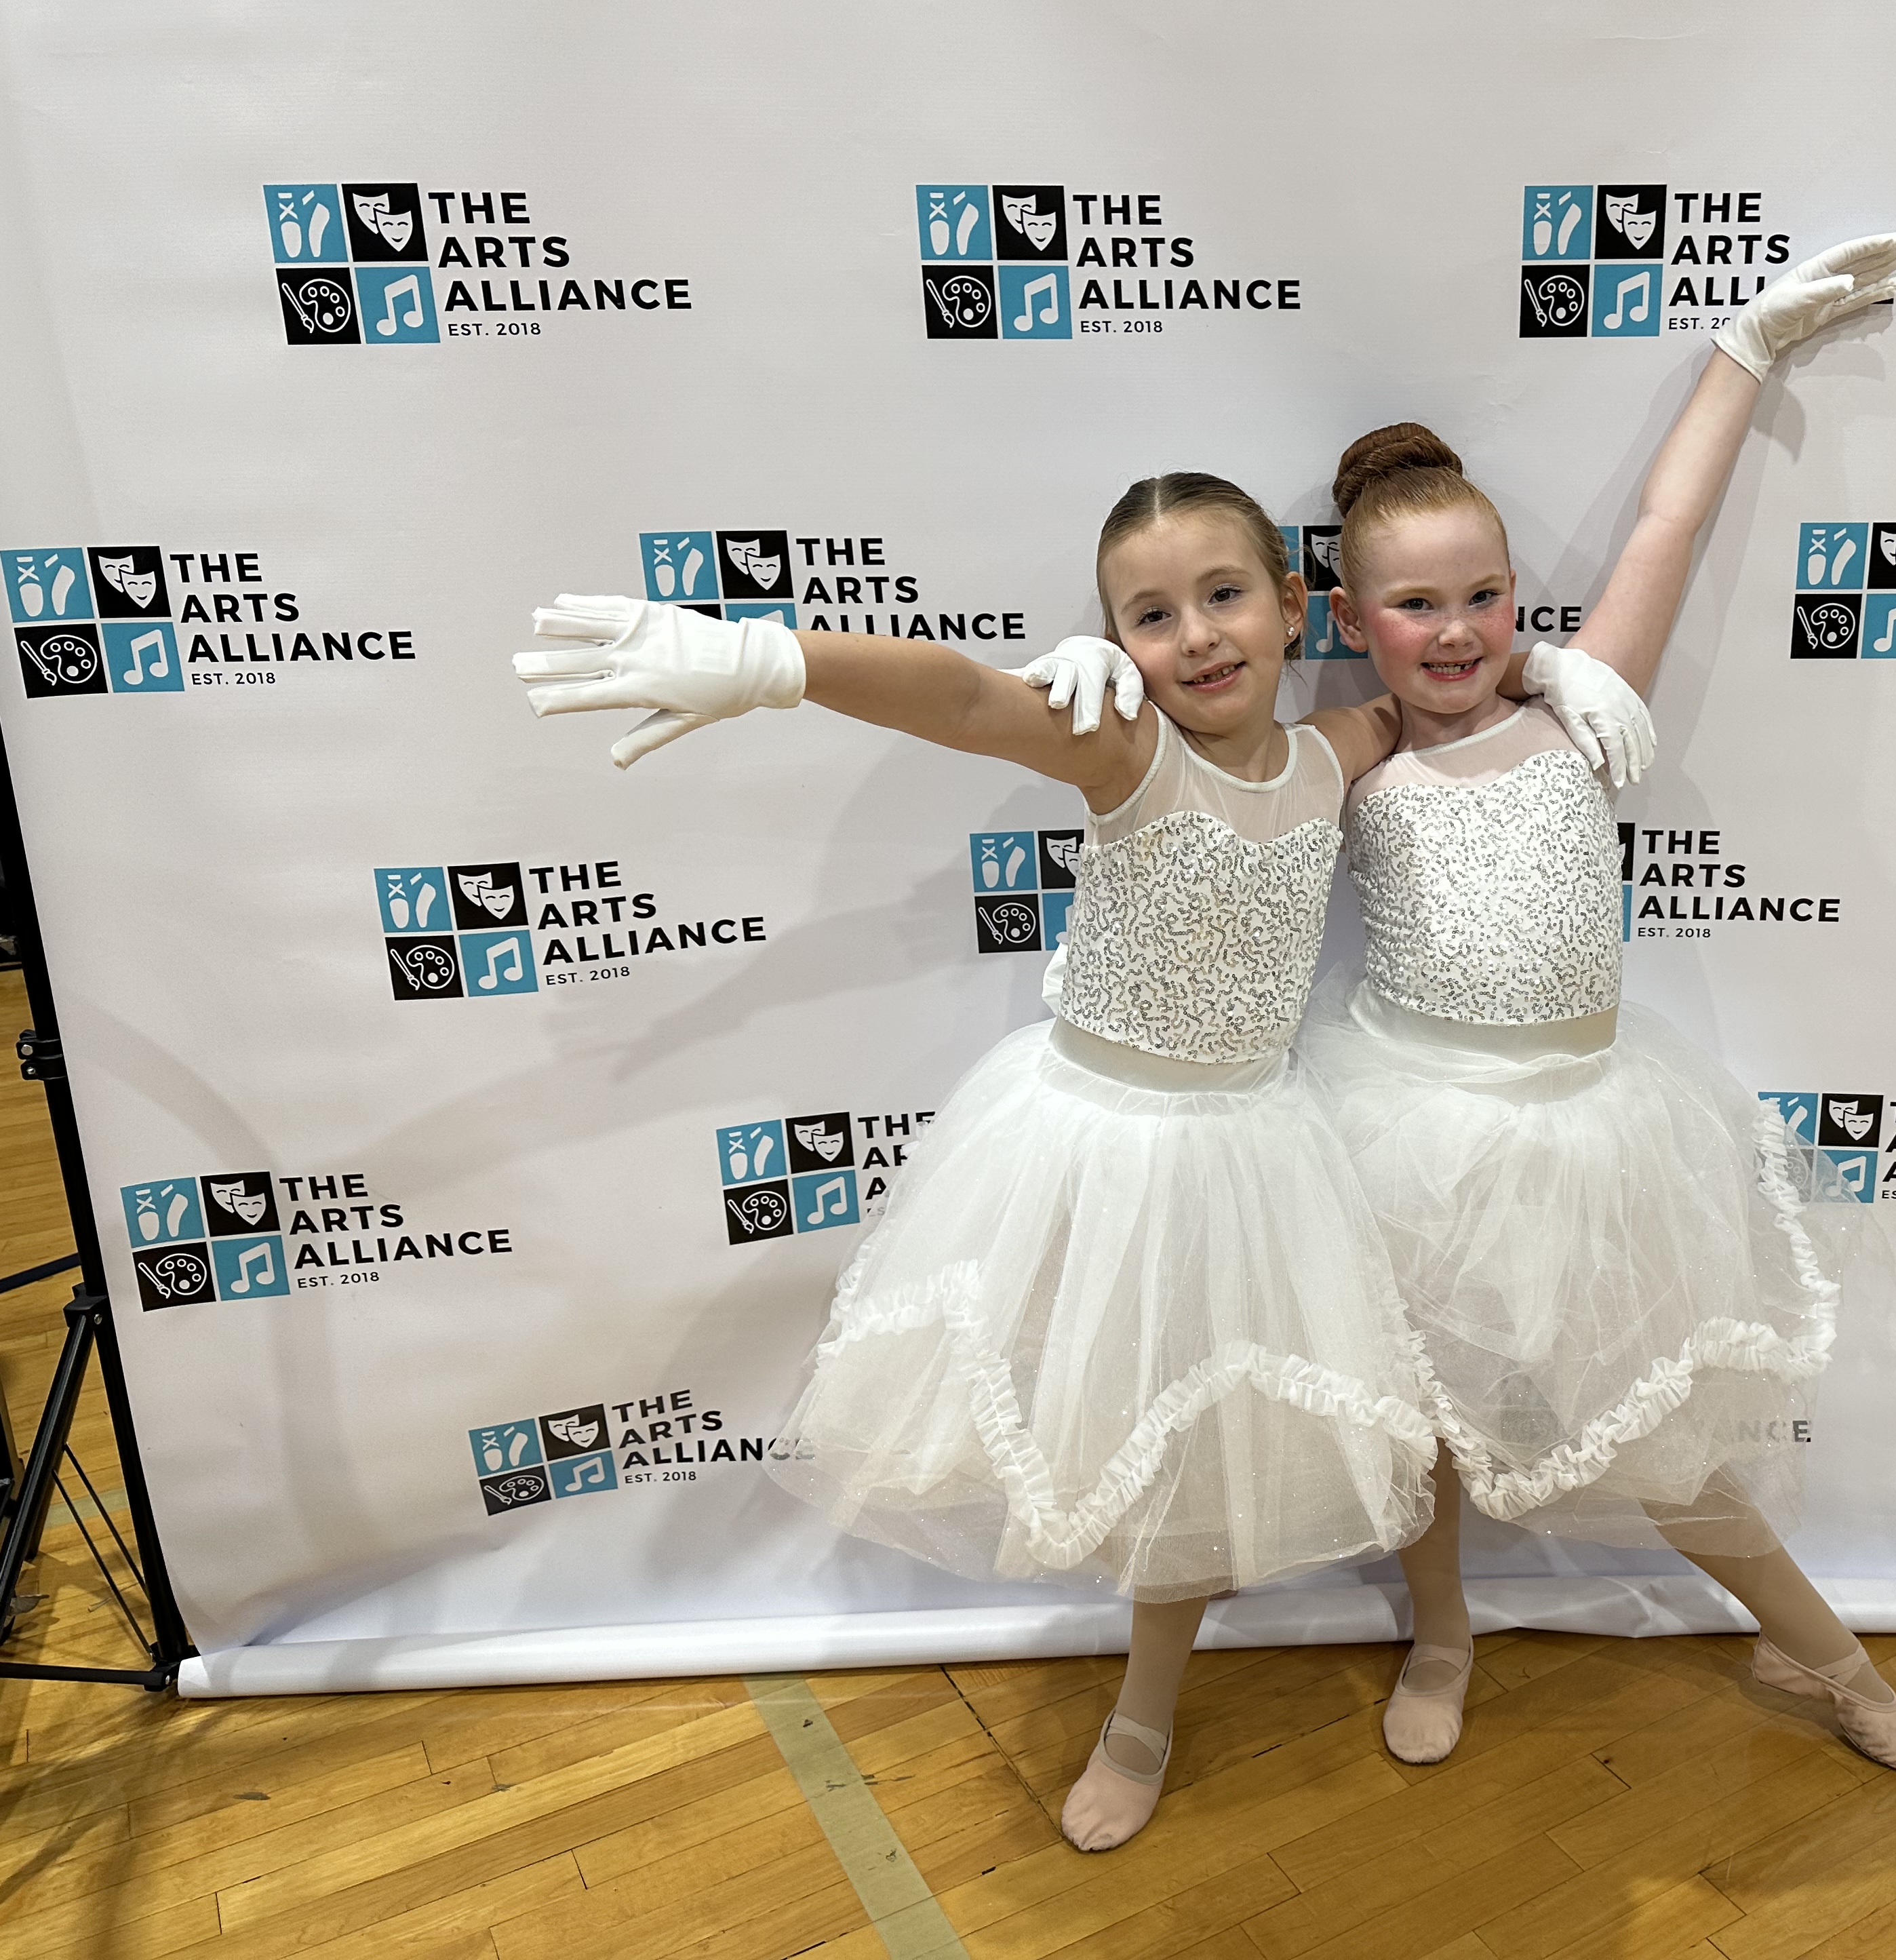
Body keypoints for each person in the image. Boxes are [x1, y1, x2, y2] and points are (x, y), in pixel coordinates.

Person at [508, 473, 1650, 1849]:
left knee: (1200, 1449)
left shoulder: (1336, 750)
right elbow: (961, 697)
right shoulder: (1125, 750)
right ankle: (1141, 1715)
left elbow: (1436, 682)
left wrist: (1550, 667)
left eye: (1224, 596)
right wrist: (772, 662)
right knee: (1136, 1429)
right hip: (1102, 1152)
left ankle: (1162, 1700)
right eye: (1150, 617)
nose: (1199, 636)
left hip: (1252, 1158)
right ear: (1114, 644)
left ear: (1294, 608)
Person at [1303, 234, 1896, 1775]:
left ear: (1520, 595)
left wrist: (1746, 349)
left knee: (1657, 1421)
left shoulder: (1587, 711)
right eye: (1414, 606)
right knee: (1423, 1414)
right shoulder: (1353, 754)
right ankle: (1442, 1633)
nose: (1458, 631)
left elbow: (1670, 520)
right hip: (1407, 1123)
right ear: (1352, 617)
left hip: (1592, 1133)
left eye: (1485, 597)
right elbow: (1209, 769)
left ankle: (1825, 1653)